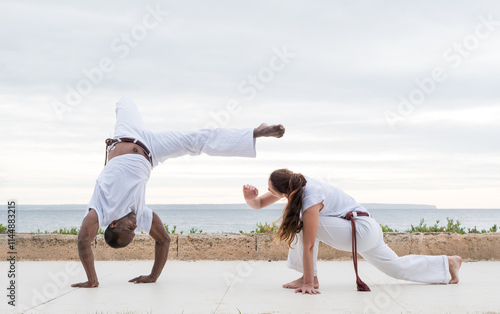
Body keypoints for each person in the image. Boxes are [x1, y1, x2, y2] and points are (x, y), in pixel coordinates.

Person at [71, 96, 285, 288]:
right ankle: (256, 132)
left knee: (124, 100)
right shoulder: (141, 215)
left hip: (125, 134)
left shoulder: (101, 210)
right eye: (134, 230)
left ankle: (255, 132)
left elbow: (83, 240)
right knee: (197, 140)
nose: (135, 225)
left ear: (114, 224)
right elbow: (163, 240)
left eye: (129, 228)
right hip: (152, 150)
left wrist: (92, 280)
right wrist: (153, 276)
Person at [243, 168, 462, 295]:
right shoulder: (297, 185)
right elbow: (259, 203)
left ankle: (309, 278)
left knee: (301, 225)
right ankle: (447, 264)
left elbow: (309, 244)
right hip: (367, 228)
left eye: (272, 191)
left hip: (359, 230)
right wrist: (249, 198)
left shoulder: (309, 198)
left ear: (284, 191)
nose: (269, 193)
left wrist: (310, 283)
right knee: (396, 268)